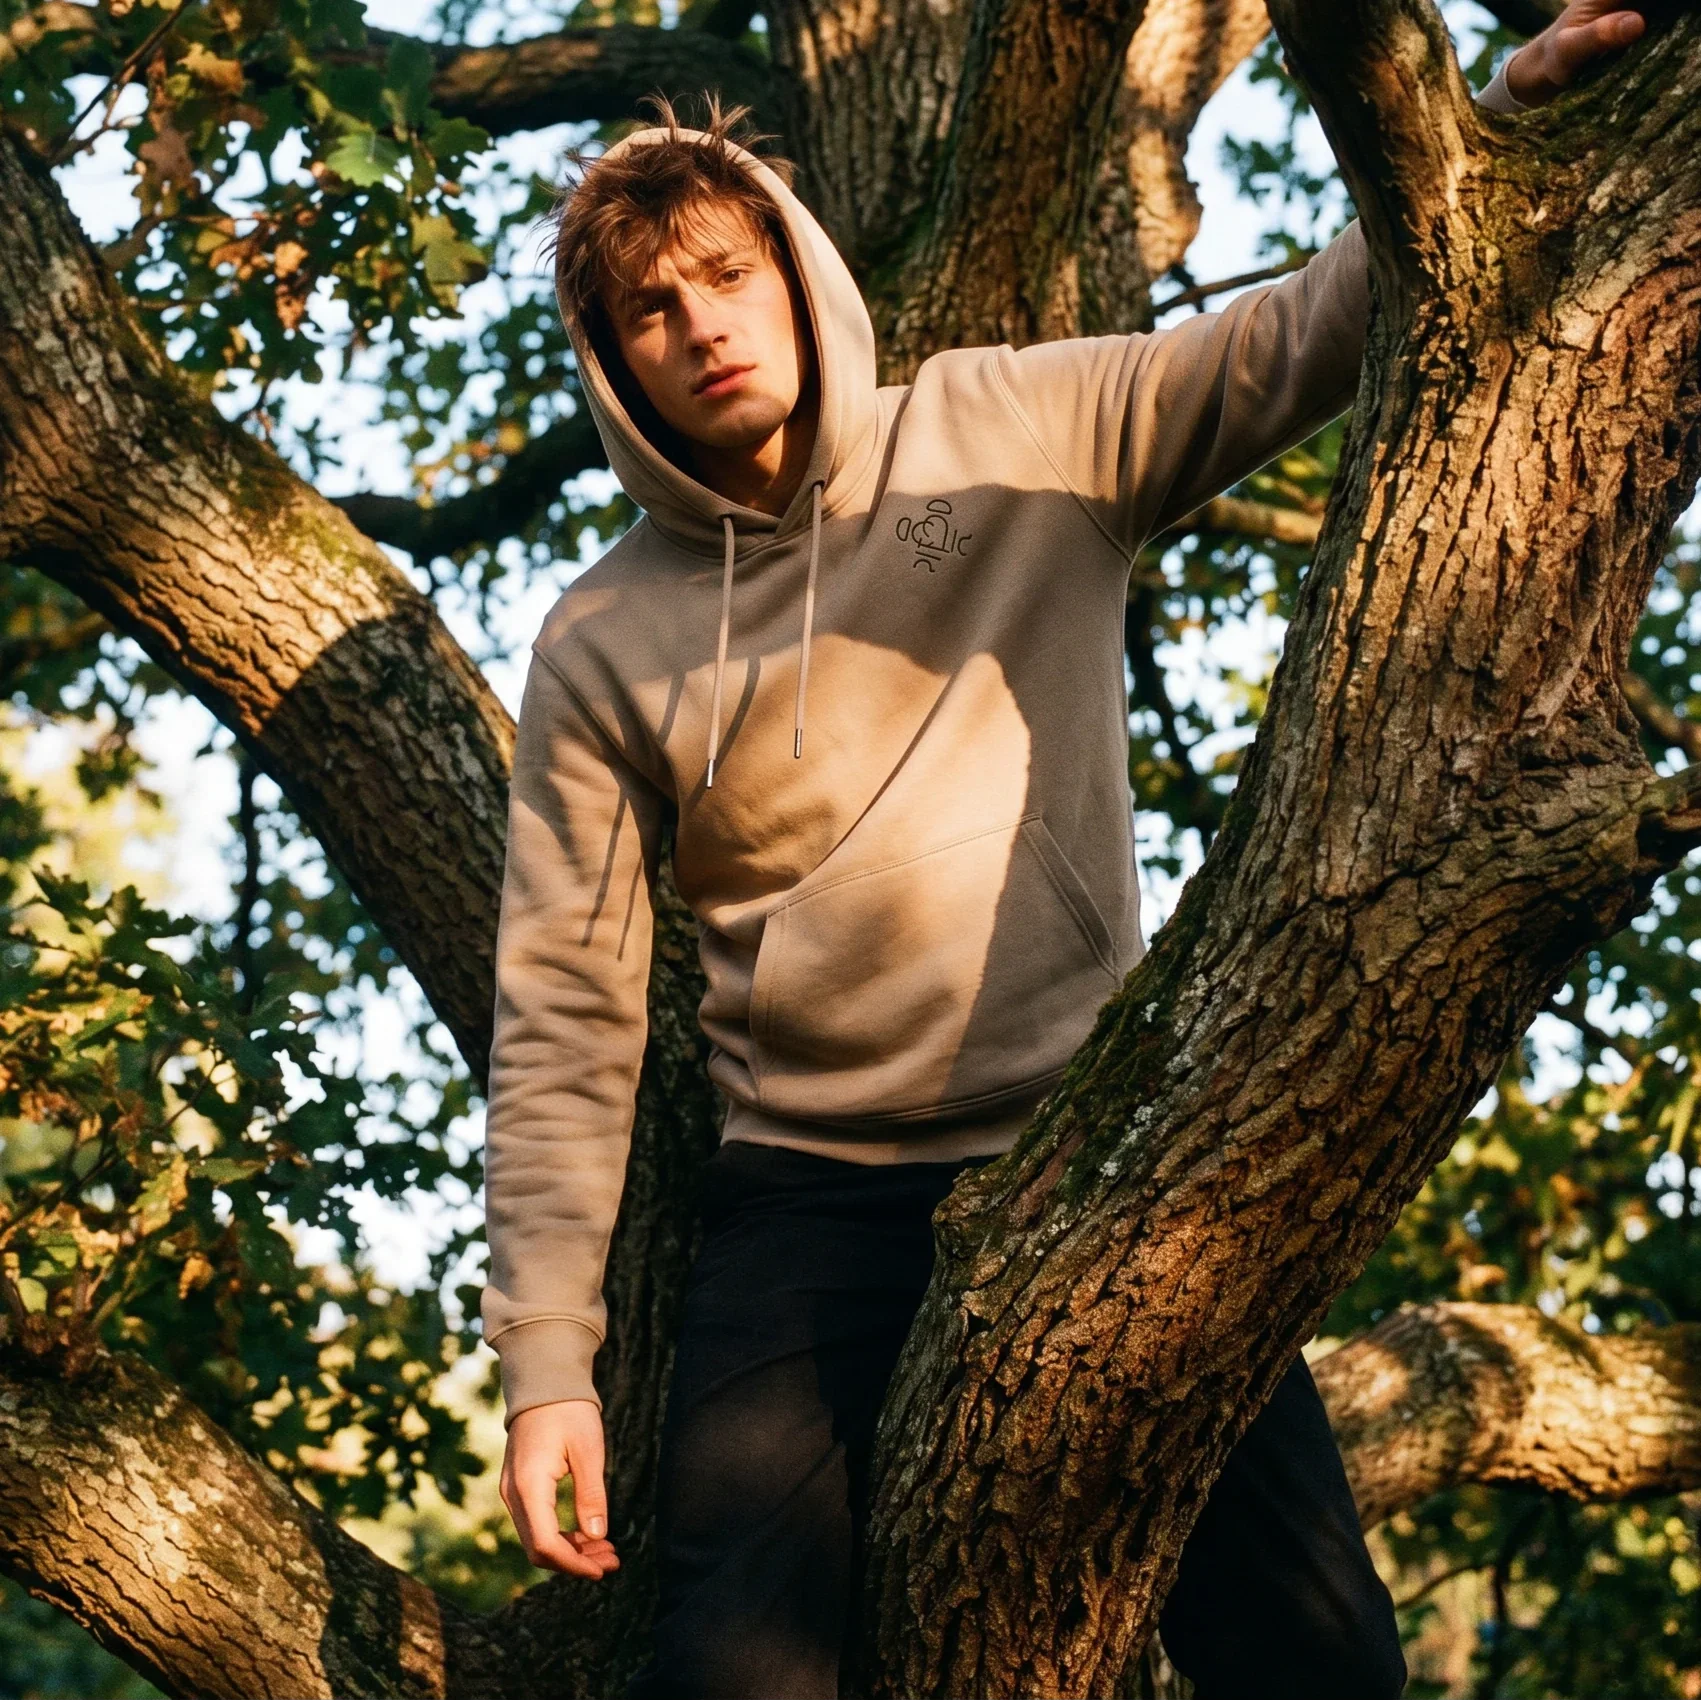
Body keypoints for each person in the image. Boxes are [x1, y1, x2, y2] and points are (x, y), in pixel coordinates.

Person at [482, 6, 1646, 1696]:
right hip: (806, 1204)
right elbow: (564, 1016)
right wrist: (545, 1368)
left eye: (726, 275)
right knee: (734, 1676)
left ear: (795, 271)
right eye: (649, 309)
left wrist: (1500, 126)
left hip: (1103, 1152)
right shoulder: (600, 639)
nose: (702, 326)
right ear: (612, 362)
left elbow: (1297, 335)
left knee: (1326, 1668)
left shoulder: (1015, 426)